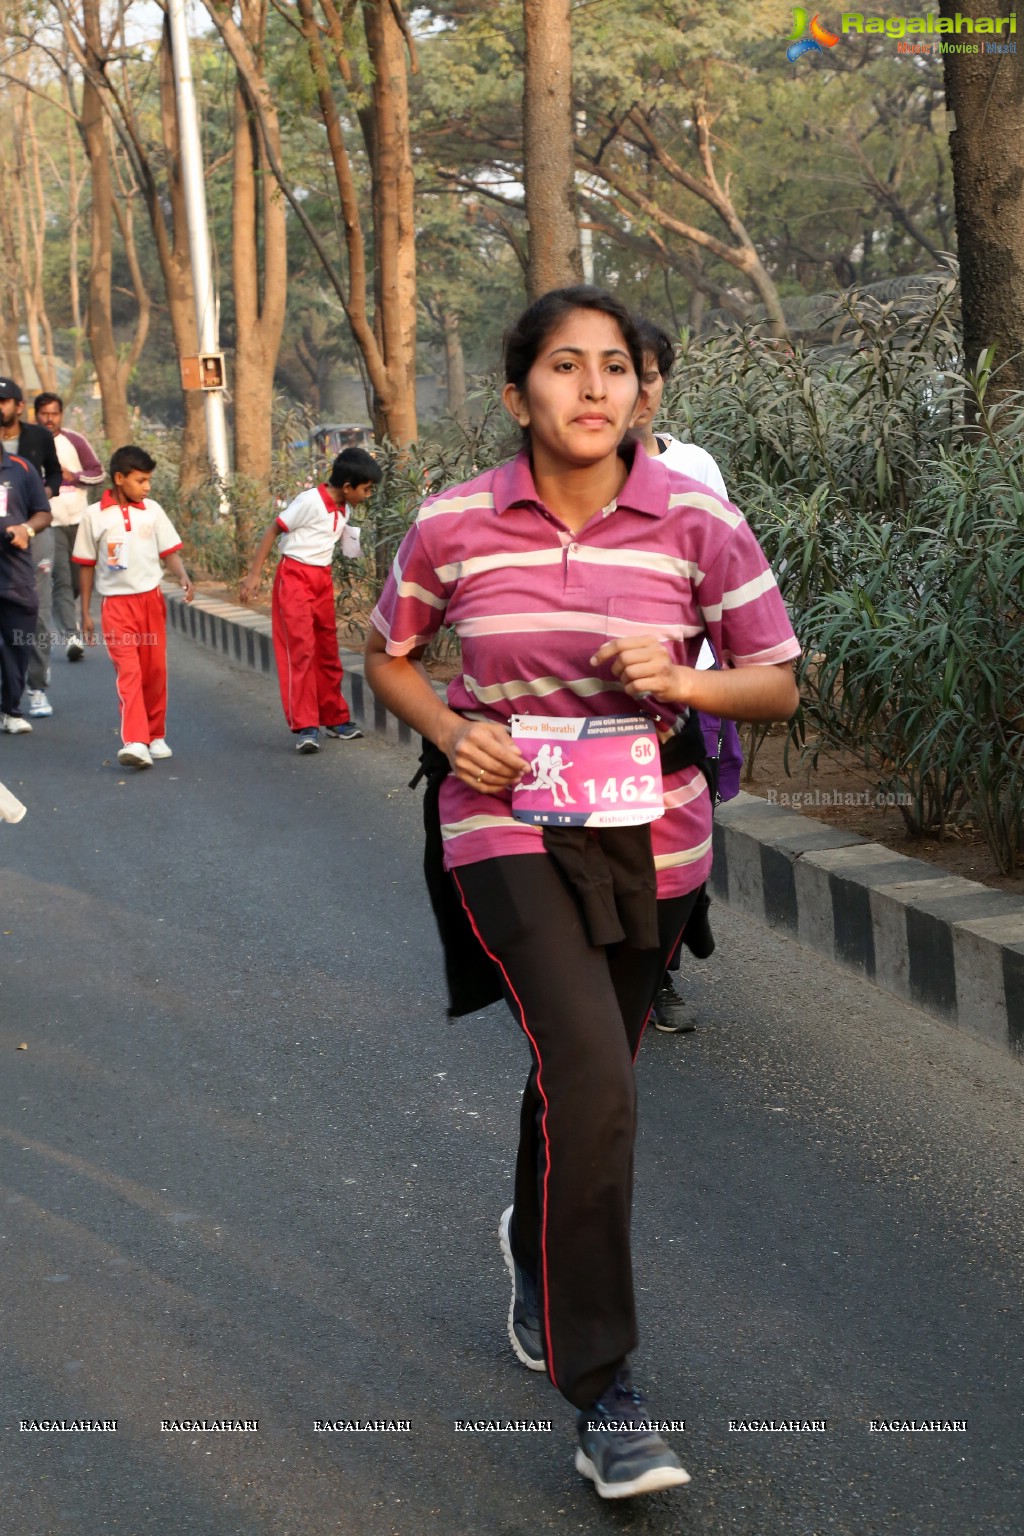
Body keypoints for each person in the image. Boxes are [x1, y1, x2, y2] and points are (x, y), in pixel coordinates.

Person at [365, 285, 800, 1500]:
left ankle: (532, 1248)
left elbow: (774, 681)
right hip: (503, 825)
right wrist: (457, 733)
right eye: (565, 365)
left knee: (585, 1070)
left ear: (639, 391)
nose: (596, 386)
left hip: (653, 837)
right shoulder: (453, 525)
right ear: (518, 395)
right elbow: (388, 654)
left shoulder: (698, 524)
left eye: (616, 366)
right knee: (597, 1080)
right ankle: (605, 1390)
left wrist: (683, 680)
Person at [632, 318, 746, 1034]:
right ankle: (651, 974)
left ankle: (674, 937)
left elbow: (734, 567)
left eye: (641, 372)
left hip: (696, 692)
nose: (629, 390)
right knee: (624, 841)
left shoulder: (695, 466)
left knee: (686, 836)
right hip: (607, 708)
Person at [239, 447, 379, 753]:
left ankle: (335, 718)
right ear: (347, 486)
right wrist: (253, 575)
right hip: (295, 577)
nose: (368, 495)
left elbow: (344, 546)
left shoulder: (346, 510)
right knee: (300, 650)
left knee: (327, 650)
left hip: (322, 580)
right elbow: (274, 529)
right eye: (366, 489)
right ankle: (305, 725)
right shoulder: (309, 501)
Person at [72, 445, 194, 769]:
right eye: (141, 480)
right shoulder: (93, 516)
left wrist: (182, 576)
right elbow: (85, 565)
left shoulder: (152, 510)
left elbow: (169, 550)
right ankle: (135, 741)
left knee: (154, 672)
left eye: (148, 480)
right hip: (116, 607)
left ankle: (155, 735)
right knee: (129, 672)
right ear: (119, 478)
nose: (147, 487)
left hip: (150, 601)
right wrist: (84, 612)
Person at [0, 378, 60, 719]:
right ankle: (8, 693)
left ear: (19, 406)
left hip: (34, 532)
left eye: (5, 400)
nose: (0, 406)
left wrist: (43, 496)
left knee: (35, 610)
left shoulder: (37, 437)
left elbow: (53, 474)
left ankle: (36, 687)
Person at [33, 393, 104, 664]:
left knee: (76, 580)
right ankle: (71, 636)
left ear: (61, 415)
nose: (49, 419)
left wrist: (72, 476)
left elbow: (97, 473)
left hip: (80, 520)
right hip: (49, 523)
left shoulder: (74, 440)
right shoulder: (30, 443)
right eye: (44, 413)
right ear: (36, 414)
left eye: (54, 413)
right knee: (62, 578)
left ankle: (64, 612)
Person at [0, 436, 51, 734]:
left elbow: (43, 512)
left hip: (15, 573)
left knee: (18, 644)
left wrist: (26, 528)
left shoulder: (21, 468)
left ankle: (10, 710)